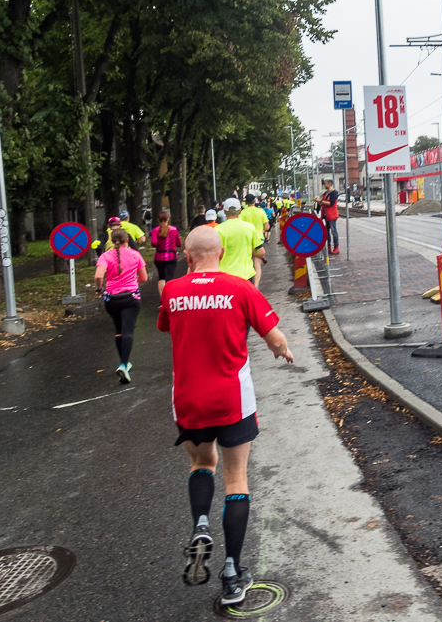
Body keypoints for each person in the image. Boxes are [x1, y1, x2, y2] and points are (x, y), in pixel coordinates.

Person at [158, 227, 294, 605]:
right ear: (220, 253)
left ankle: (200, 523)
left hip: (188, 399)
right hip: (232, 399)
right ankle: (233, 573)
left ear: (187, 257)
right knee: (236, 478)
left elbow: (169, 326)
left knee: (203, 461)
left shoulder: (172, 291)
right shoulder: (240, 289)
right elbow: (274, 336)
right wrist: (283, 352)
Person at [94, 228, 147, 384]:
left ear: (111, 241)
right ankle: (124, 364)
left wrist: (99, 288)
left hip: (112, 299)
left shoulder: (105, 256)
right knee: (128, 330)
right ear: (127, 240)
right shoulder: (135, 255)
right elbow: (143, 277)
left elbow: (98, 275)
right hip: (131, 298)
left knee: (119, 330)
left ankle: (124, 362)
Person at [216, 198, 261, 284]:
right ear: (240, 211)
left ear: (224, 211)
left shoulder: (217, 230)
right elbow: (260, 252)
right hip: (245, 274)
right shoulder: (250, 227)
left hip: (224, 276)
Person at [150, 211, 183, 299]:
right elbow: (179, 244)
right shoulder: (174, 229)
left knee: (161, 277)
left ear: (158, 220)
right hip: (171, 257)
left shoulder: (155, 230)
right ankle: (169, 298)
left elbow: (154, 243)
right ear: (168, 219)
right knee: (170, 278)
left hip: (159, 257)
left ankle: (162, 299)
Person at [239, 194, 269, 286]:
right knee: (257, 266)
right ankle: (256, 287)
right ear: (255, 201)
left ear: (246, 202)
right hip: (258, 241)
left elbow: (239, 226)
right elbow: (267, 227)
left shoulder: (243, 213)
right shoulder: (260, 212)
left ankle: (246, 286)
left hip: (246, 241)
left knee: (245, 264)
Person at [314, 177, 340, 255]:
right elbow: (322, 203)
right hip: (325, 215)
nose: (324, 185)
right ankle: (329, 247)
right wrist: (318, 201)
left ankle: (336, 247)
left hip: (332, 215)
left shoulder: (334, 193)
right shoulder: (325, 193)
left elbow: (330, 203)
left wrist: (320, 201)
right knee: (327, 232)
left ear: (330, 183)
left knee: (333, 231)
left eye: (325, 183)